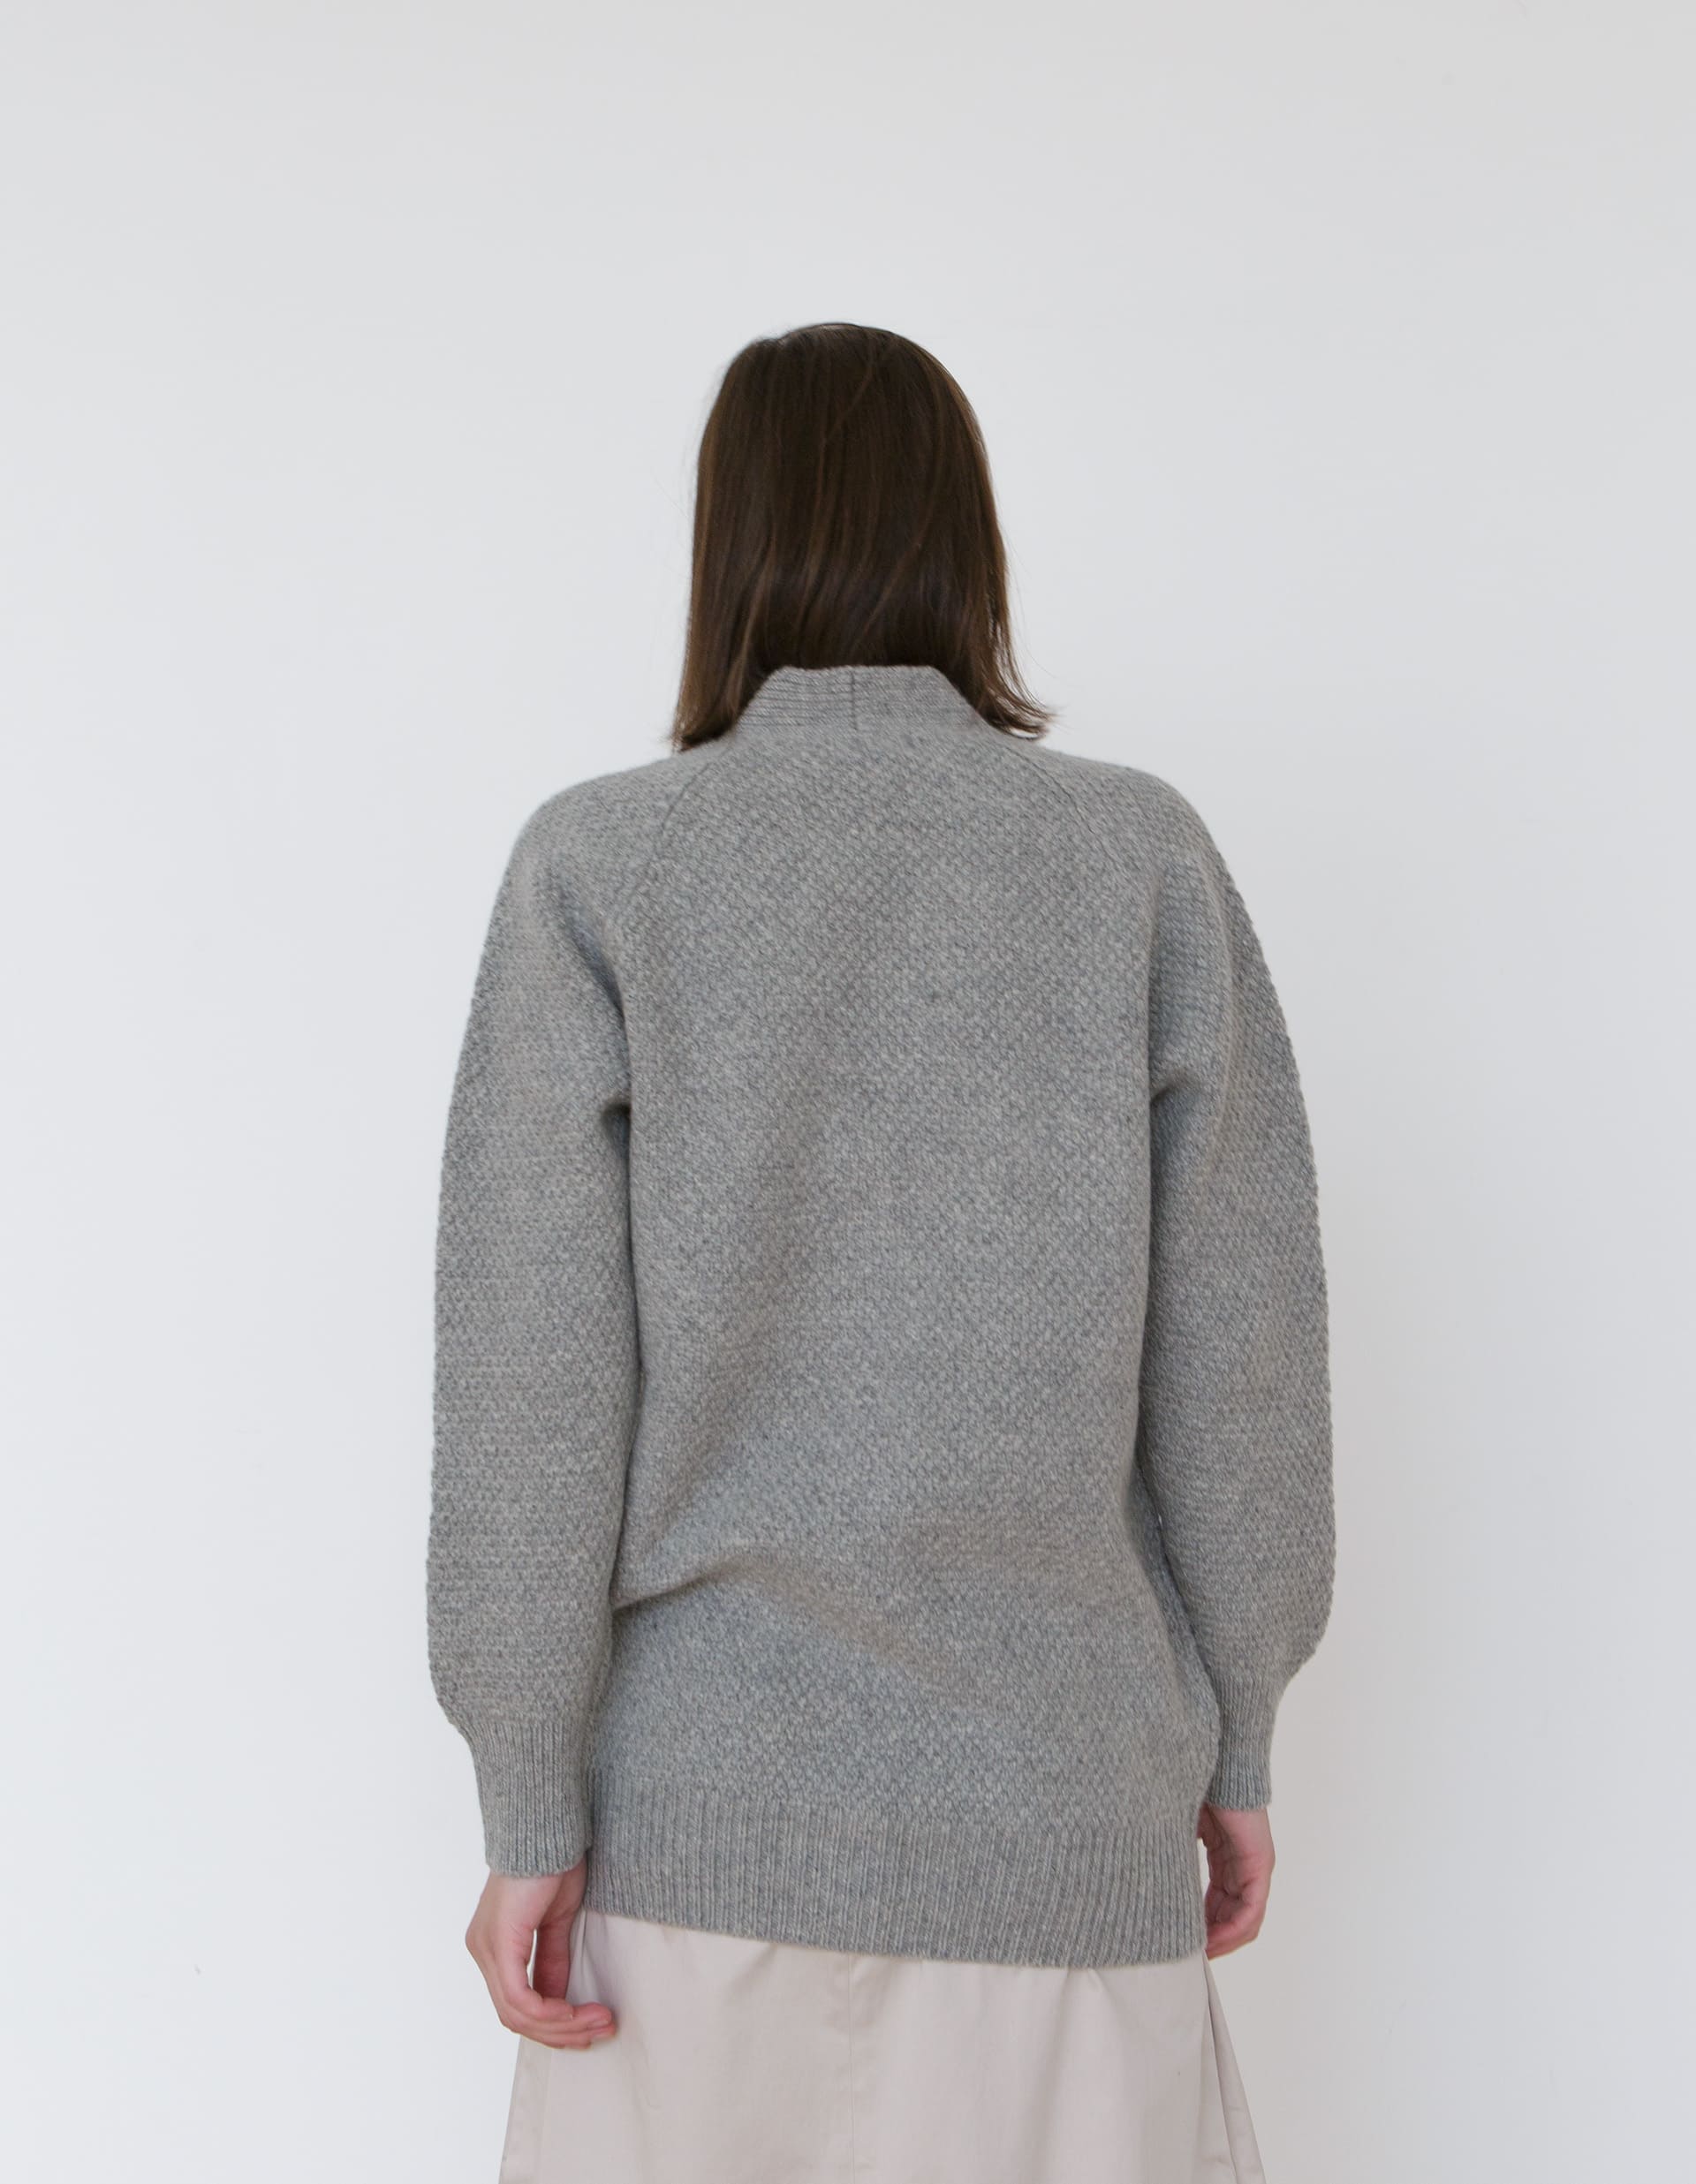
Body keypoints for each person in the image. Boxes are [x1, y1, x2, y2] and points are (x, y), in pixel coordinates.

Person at [427, 321, 1336, 2183]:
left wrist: (527, 1798)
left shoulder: (599, 868)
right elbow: (1245, 1355)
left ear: (728, 547)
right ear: (965, 541)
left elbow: (532, 1380)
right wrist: (1239, 1732)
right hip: (1065, 1825)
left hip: (695, 1860)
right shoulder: (1139, 860)